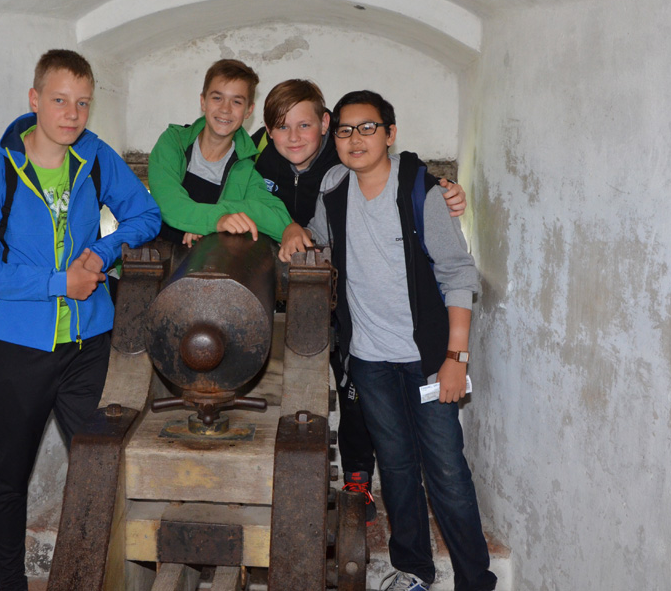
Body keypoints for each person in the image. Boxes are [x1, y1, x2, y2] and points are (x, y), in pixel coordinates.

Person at [0, 49, 161, 591]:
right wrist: (56, 283)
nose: (72, 114)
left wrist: (103, 250)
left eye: (83, 103)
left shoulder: (95, 156)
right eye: (60, 100)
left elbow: (145, 214)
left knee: (103, 465)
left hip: (89, 342)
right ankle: (11, 585)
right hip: (18, 347)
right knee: (10, 478)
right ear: (35, 100)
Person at [285, 90, 496, 591]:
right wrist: (291, 229)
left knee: (446, 471)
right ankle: (415, 570)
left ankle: (475, 581)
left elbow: (458, 274)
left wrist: (456, 358)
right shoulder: (335, 187)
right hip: (369, 360)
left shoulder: (421, 191)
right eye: (345, 130)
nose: (355, 139)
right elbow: (318, 236)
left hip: (428, 360)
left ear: (390, 134)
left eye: (368, 128)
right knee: (397, 468)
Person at [253, 79, 468, 524]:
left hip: (408, 342)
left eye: (305, 125)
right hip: (350, 329)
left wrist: (443, 188)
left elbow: (453, 266)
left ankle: (358, 480)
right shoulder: (265, 165)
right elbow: (307, 226)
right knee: (389, 449)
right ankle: (399, 539)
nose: (294, 135)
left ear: (324, 125)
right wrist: (288, 229)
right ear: (269, 131)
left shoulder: (355, 168)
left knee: (441, 467)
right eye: (282, 126)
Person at [147, 59, 291, 245]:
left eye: (237, 101)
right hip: (156, 253)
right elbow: (168, 202)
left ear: (248, 111)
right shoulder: (173, 143)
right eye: (217, 98)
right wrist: (216, 220)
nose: (225, 109)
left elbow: (279, 221)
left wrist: (225, 215)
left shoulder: (245, 170)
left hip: (208, 261)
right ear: (203, 102)